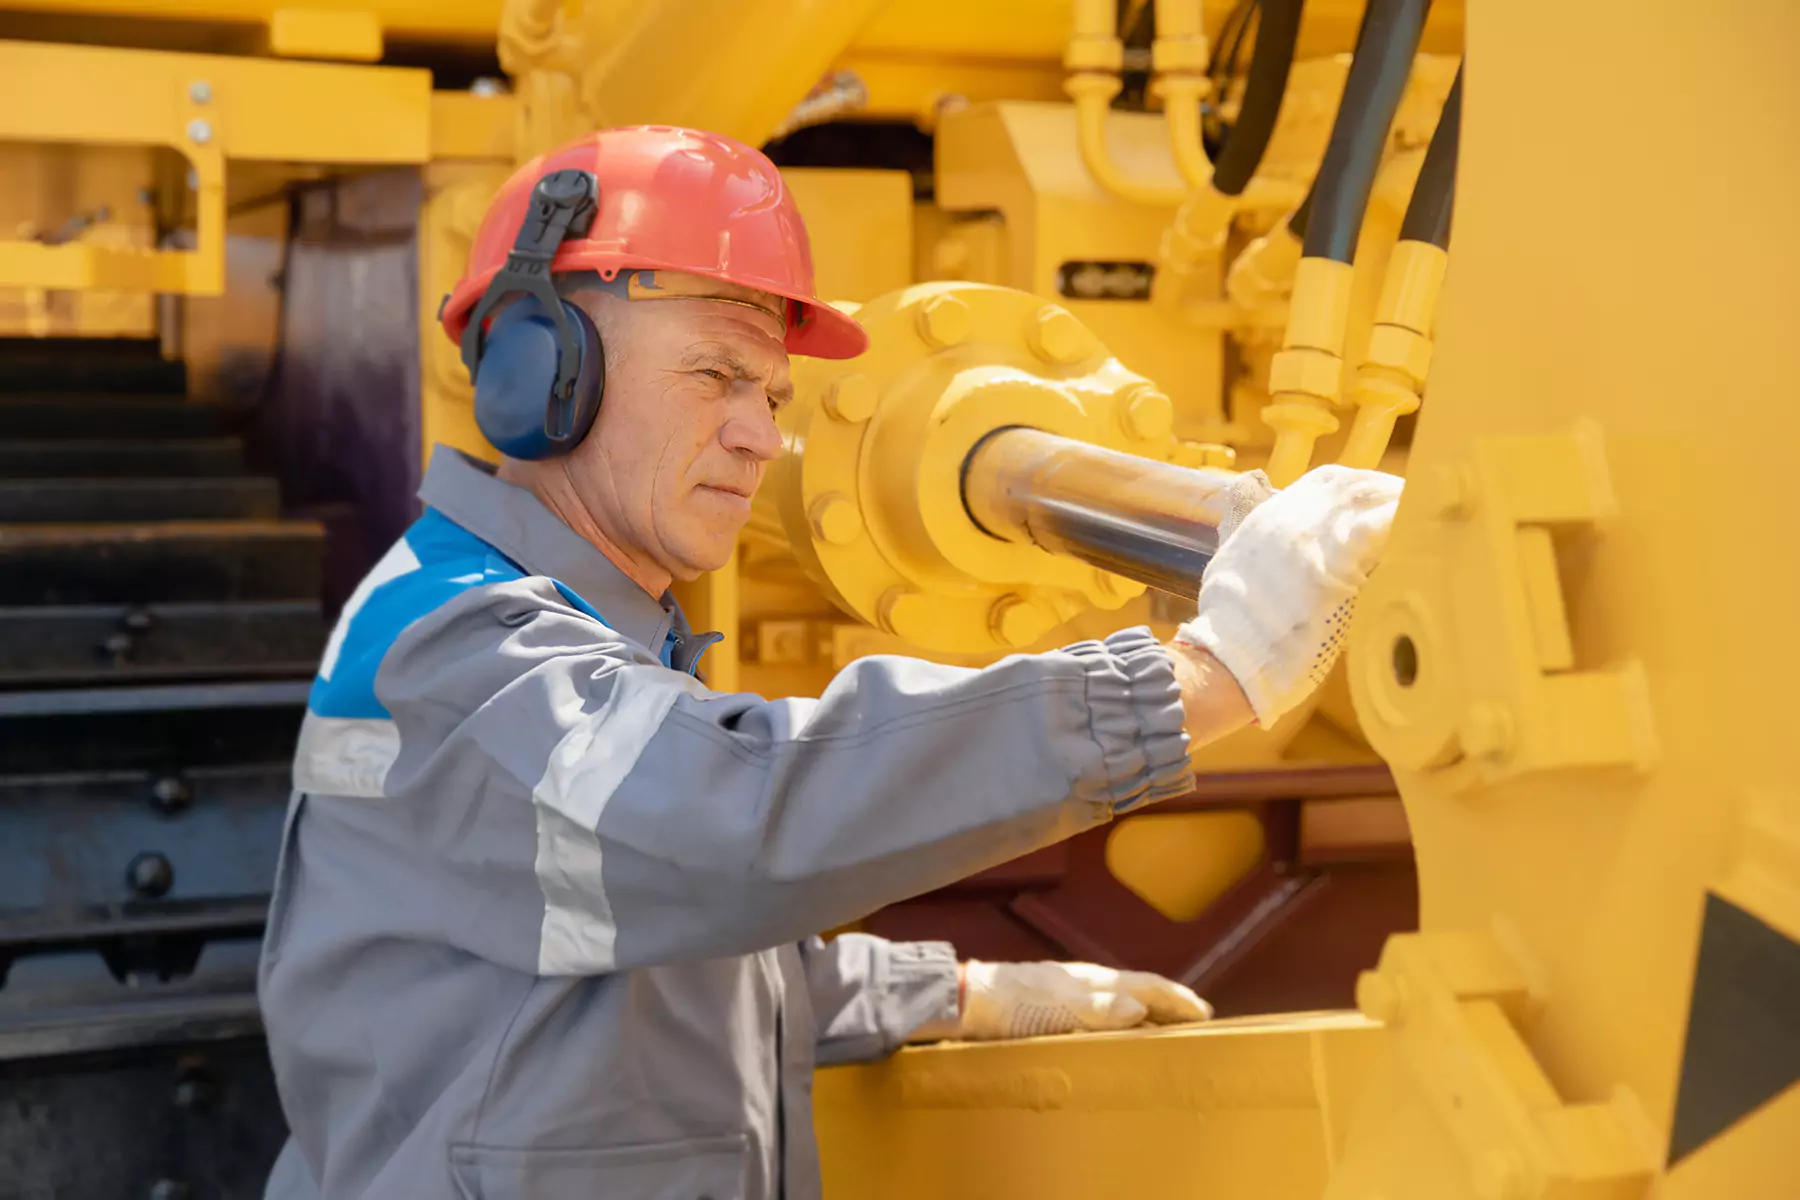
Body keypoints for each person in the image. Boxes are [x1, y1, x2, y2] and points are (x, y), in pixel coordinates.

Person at [258, 126, 1402, 1200]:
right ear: (536, 377)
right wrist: (1200, 679)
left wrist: (958, 995)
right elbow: (727, 824)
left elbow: (646, 954)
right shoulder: (463, 646)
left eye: (771, 394)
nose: (760, 435)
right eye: (714, 376)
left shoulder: (582, 629)